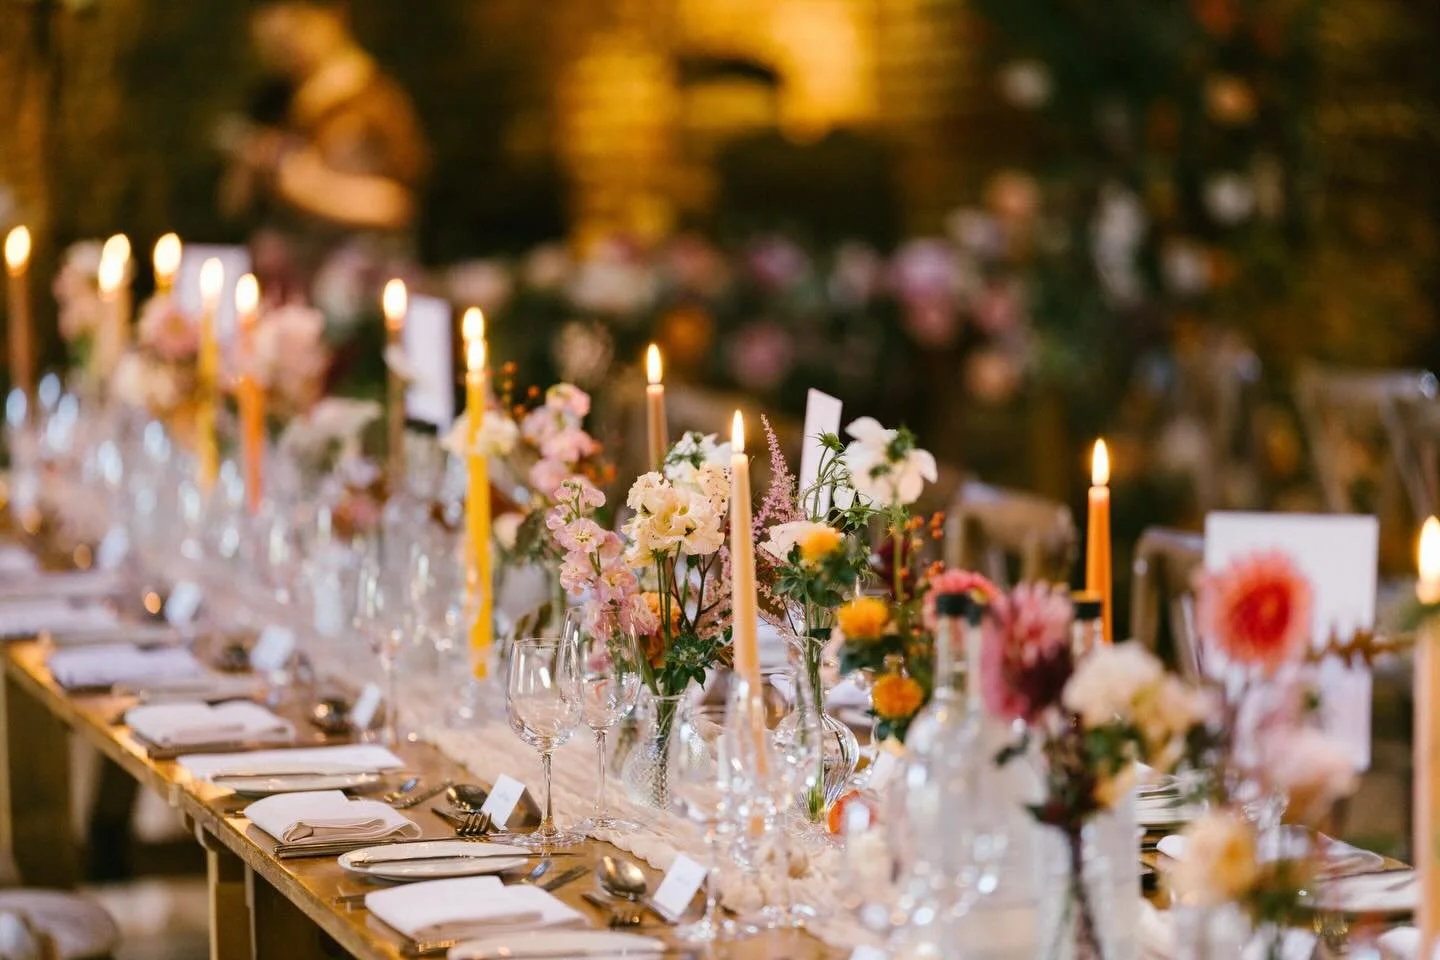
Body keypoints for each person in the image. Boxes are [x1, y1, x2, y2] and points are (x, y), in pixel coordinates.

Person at [219, 0, 429, 305]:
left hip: (352, 291)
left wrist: (313, 187)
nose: (289, 39)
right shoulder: (274, 100)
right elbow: (233, 206)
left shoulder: (376, 101)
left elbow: (398, 204)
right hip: (283, 290)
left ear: (334, 16)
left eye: (300, 21)